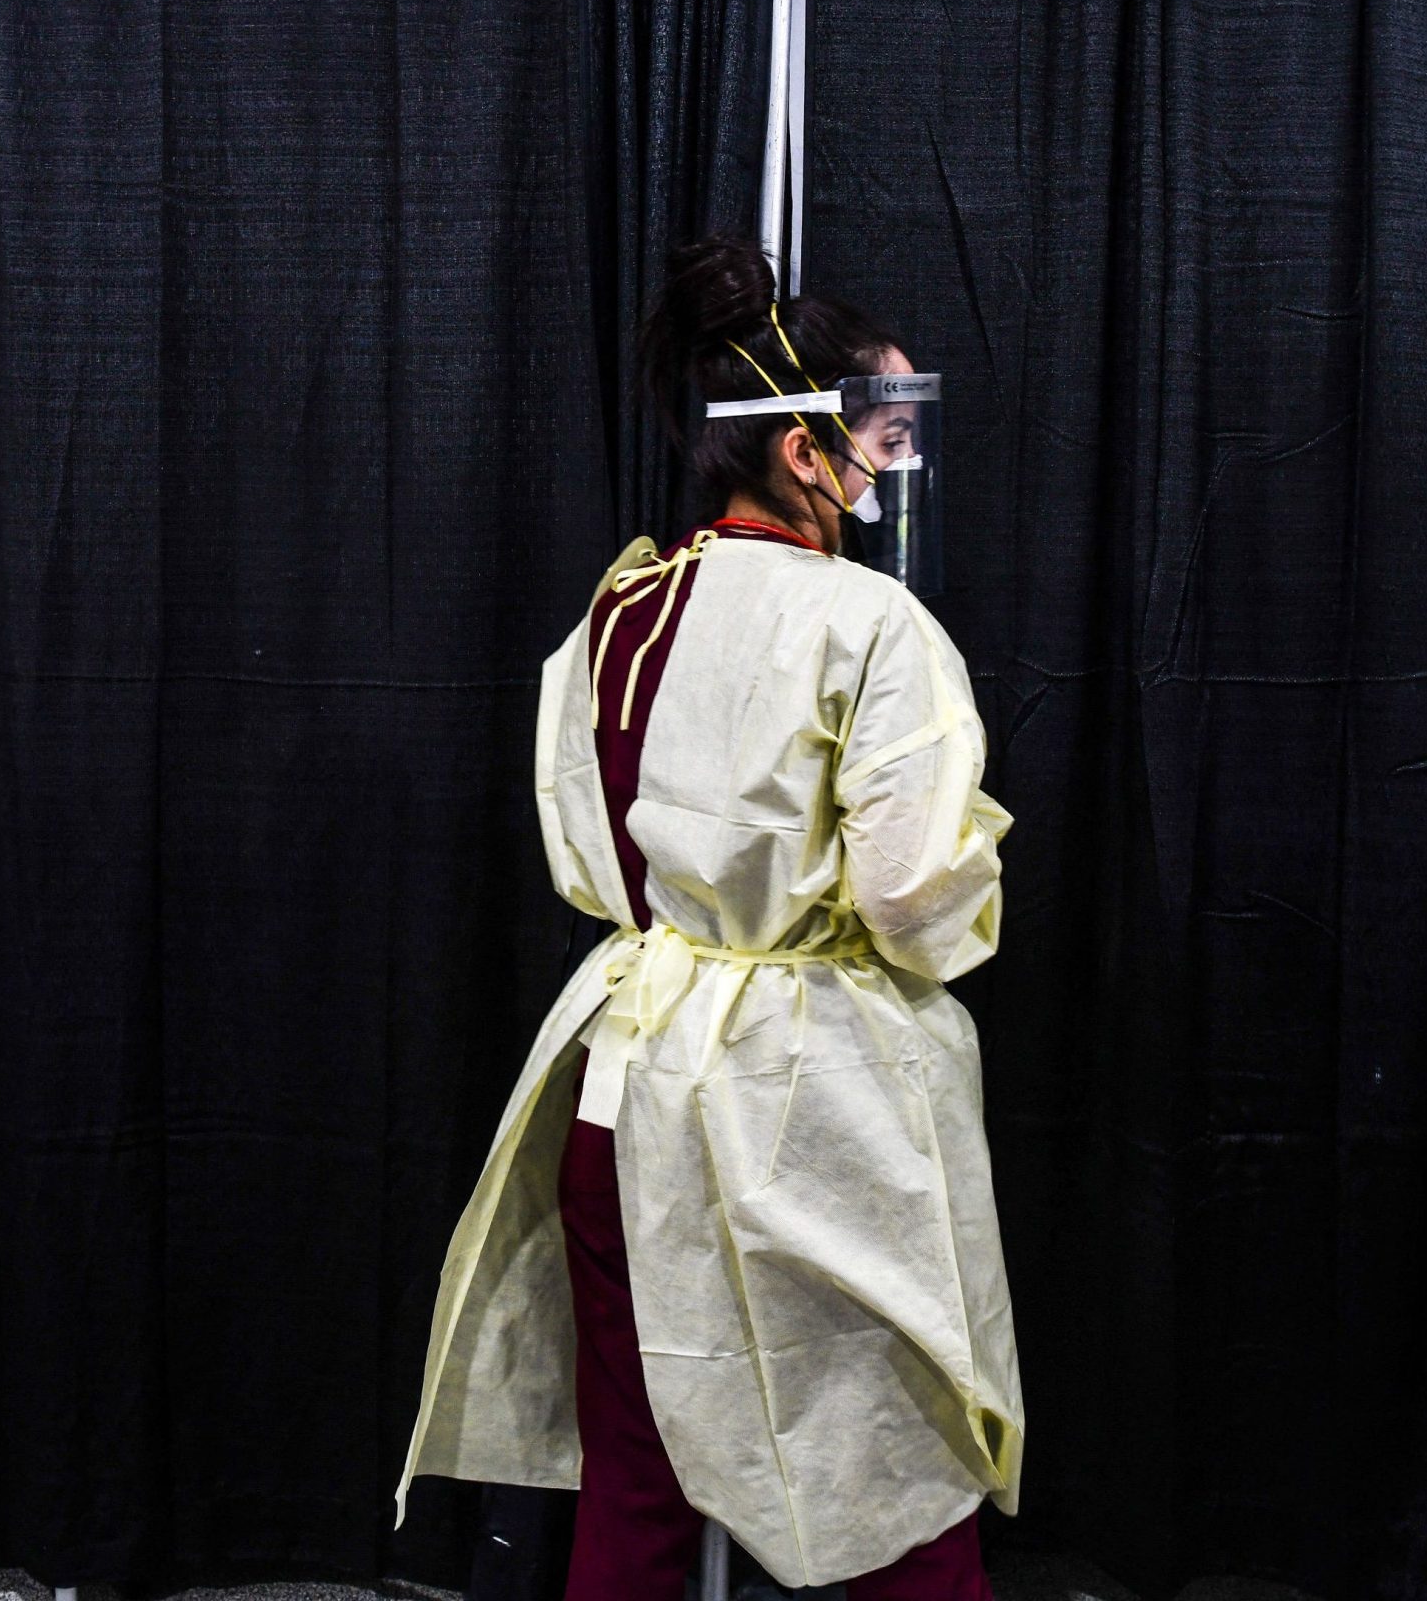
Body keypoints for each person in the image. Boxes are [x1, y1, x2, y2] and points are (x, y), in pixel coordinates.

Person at [396, 238, 1023, 1599]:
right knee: (895, 1486)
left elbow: (591, 842)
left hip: (627, 1096)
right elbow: (914, 900)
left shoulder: (621, 611)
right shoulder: (873, 625)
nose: (891, 468)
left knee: (640, 1492)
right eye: (881, 433)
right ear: (802, 451)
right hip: (807, 1111)